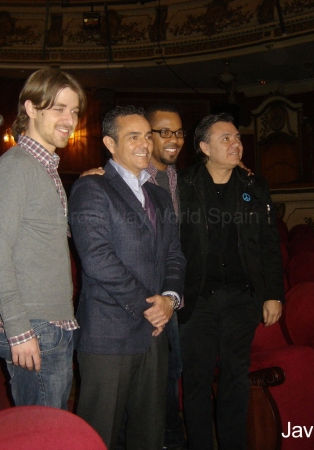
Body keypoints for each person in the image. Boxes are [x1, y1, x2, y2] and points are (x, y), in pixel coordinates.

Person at [69, 105, 186, 450]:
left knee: (149, 434)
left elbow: (175, 256)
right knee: (99, 434)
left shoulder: (160, 195)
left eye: (148, 136)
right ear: (110, 143)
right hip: (109, 335)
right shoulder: (92, 189)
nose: (145, 144)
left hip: (155, 332)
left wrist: (171, 299)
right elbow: (97, 259)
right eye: (133, 136)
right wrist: (148, 305)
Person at [177, 113, 284, 450]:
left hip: (242, 299)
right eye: (225, 138)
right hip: (197, 301)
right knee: (196, 382)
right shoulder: (181, 185)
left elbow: (268, 244)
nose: (236, 143)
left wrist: (273, 294)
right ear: (204, 147)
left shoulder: (254, 186)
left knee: (235, 379)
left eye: (237, 137)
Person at [0, 69, 86, 409]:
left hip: (52, 323)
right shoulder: (16, 168)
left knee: (48, 428)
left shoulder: (44, 168)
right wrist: (19, 330)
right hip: (33, 327)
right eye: (59, 109)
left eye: (74, 111)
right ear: (30, 108)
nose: (69, 120)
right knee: (40, 434)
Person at [144, 103, 187, 450]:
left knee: (173, 375)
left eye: (178, 132)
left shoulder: (176, 178)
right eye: (165, 131)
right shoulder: (134, 177)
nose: (174, 139)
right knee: (153, 382)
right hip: (150, 299)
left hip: (176, 294)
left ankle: (170, 439)